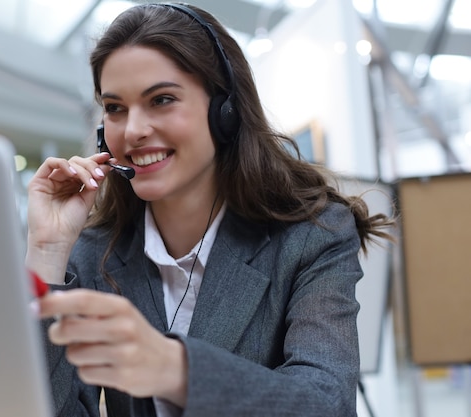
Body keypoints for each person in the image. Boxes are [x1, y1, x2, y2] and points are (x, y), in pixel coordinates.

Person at [25, 3, 394, 417]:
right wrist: (48, 250)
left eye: (161, 99)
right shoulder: (93, 253)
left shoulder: (313, 235)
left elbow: (326, 404)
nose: (132, 131)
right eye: (115, 108)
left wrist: (174, 368)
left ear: (226, 112)